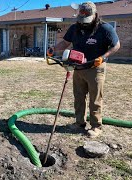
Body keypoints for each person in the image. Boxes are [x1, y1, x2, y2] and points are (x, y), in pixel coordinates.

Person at [48, 1, 120, 138]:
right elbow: (65, 43)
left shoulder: (105, 29)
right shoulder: (75, 28)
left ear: (95, 15)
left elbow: (116, 45)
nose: (83, 22)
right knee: (79, 97)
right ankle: (79, 122)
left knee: (95, 98)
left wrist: (103, 57)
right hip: (78, 67)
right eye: (81, 19)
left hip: (96, 67)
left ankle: (96, 126)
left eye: (86, 19)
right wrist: (54, 48)